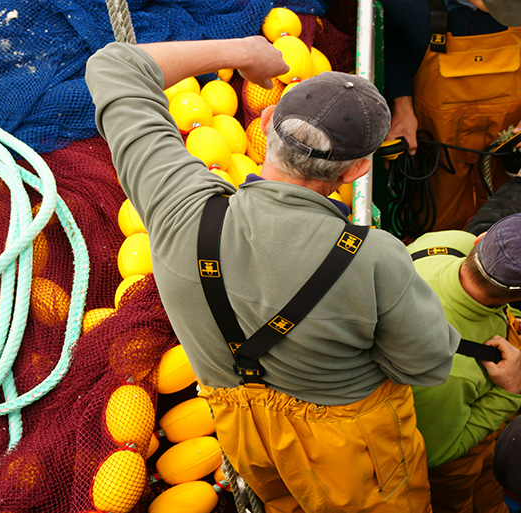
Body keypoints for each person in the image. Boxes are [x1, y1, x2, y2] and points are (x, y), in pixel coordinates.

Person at [86, 38, 461, 512]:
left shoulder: (179, 209)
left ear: (265, 125)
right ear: (359, 170)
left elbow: (115, 64)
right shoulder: (374, 259)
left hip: (249, 447)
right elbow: (426, 366)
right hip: (354, 467)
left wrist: (243, 51)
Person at [406, 217, 521, 513]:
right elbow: (438, 452)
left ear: (479, 240)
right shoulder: (450, 371)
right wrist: (511, 391)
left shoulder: (446, 243)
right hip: (454, 462)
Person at [379, 0, 521, 231]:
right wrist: (401, 105)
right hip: (437, 148)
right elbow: (391, 34)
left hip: (509, 145)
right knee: (434, 228)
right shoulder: (407, 6)